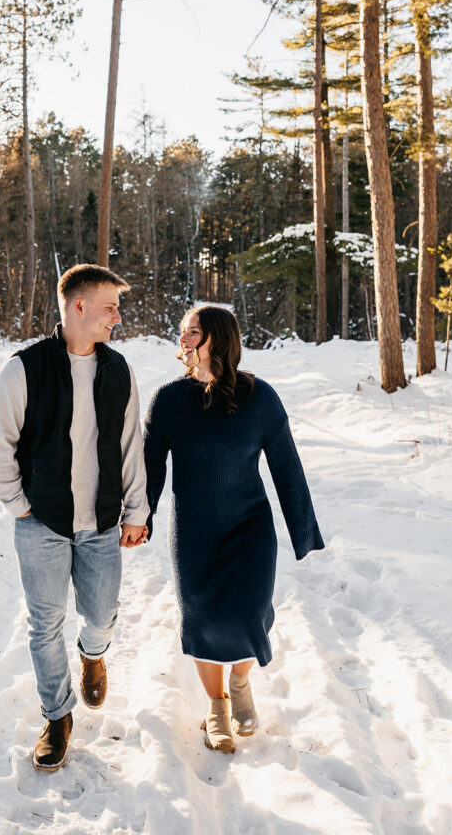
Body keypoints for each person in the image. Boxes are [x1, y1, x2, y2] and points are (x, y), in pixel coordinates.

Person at [0, 264, 149, 773]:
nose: (117, 317)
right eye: (109, 307)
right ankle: (57, 718)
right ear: (78, 307)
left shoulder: (118, 370)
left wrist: (136, 510)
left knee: (100, 616)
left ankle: (93, 655)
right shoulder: (24, 369)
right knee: (44, 624)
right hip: (42, 523)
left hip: (100, 522)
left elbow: (129, 445)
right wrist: (18, 505)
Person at [143, 305, 324, 754]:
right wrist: (138, 517)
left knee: (246, 615)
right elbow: (148, 469)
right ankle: (217, 707)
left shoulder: (259, 398)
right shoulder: (168, 400)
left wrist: (302, 530)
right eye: (182, 331)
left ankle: (241, 681)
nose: (183, 340)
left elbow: (286, 465)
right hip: (194, 530)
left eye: (193, 332)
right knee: (204, 619)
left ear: (218, 339)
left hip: (249, 527)